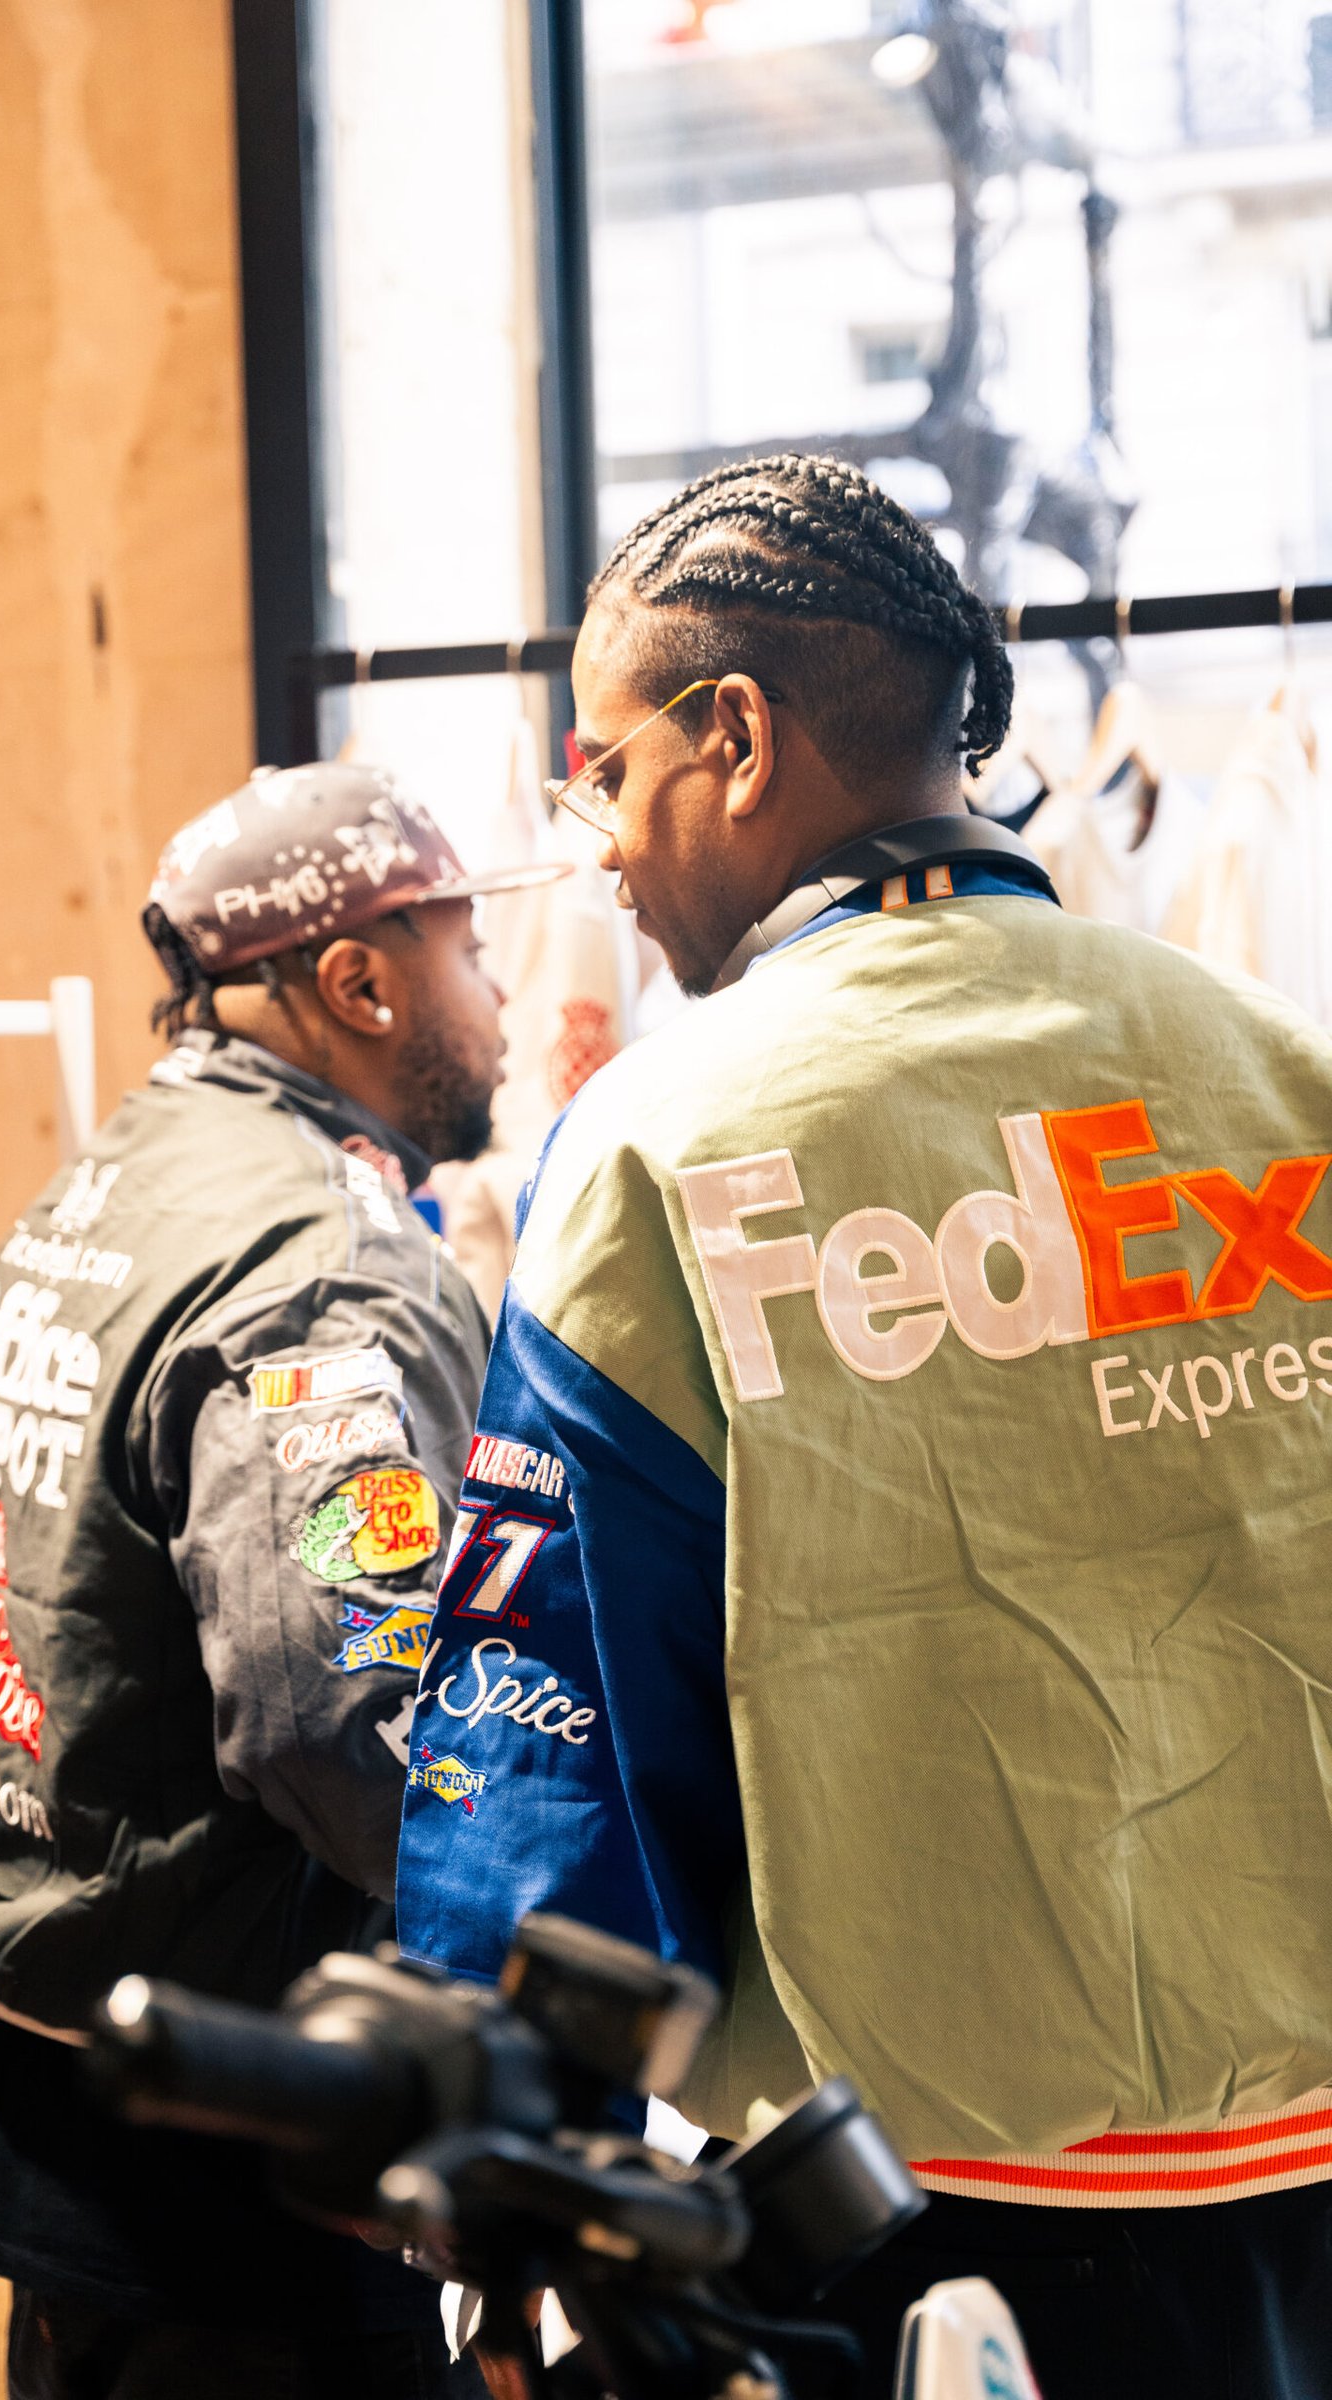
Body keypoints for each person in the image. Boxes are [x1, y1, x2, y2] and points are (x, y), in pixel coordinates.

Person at [394, 455, 1332, 2399]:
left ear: (734, 740)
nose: (600, 846)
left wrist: (499, 2172)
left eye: (605, 770)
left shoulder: (665, 1146)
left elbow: (550, 1722)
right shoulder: (1282, 1067)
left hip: (915, 2228)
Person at [0, 762, 563, 2400]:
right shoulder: (322, 1265)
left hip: (54, 2067)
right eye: (468, 951)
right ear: (358, 982)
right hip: (241, 2136)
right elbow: (352, 1718)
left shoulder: (107, 1187)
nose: (497, 999)